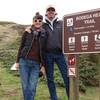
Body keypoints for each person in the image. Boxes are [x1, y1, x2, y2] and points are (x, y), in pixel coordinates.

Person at [25, 5, 69, 100]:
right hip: (48, 55)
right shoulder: (43, 25)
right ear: (46, 13)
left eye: (52, 10)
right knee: (50, 79)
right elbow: (35, 27)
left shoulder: (61, 23)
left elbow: (70, 30)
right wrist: (28, 28)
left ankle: (71, 96)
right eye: (49, 10)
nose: (50, 12)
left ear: (55, 12)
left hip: (60, 54)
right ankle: (54, 98)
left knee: (67, 76)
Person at [15, 12, 46, 100]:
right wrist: (17, 61)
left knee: (32, 87)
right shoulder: (27, 32)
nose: (37, 22)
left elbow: (44, 51)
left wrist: (43, 66)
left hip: (36, 64)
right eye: (35, 20)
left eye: (40, 20)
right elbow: (21, 46)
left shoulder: (44, 34)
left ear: (42, 22)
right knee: (25, 86)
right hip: (24, 62)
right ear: (33, 21)